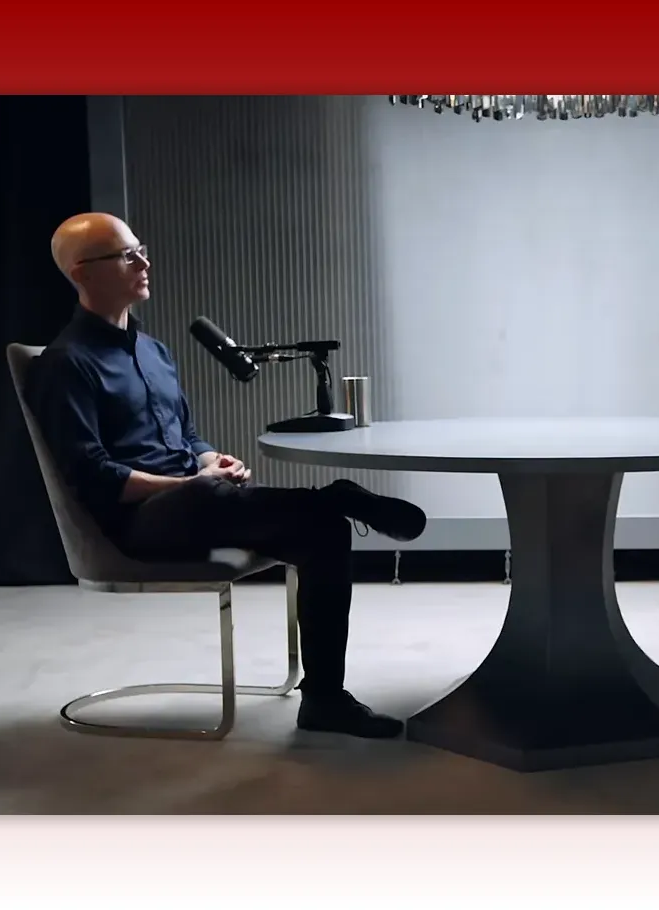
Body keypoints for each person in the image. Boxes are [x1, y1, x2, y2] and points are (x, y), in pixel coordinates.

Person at [26, 212, 427, 739]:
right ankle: (336, 495)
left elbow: (187, 439)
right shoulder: (67, 363)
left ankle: (325, 699)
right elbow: (95, 477)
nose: (144, 262)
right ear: (82, 273)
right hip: (136, 524)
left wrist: (213, 460)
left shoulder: (154, 351)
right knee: (213, 499)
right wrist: (188, 485)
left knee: (325, 531)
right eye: (127, 256)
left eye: (140, 249)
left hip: (198, 501)